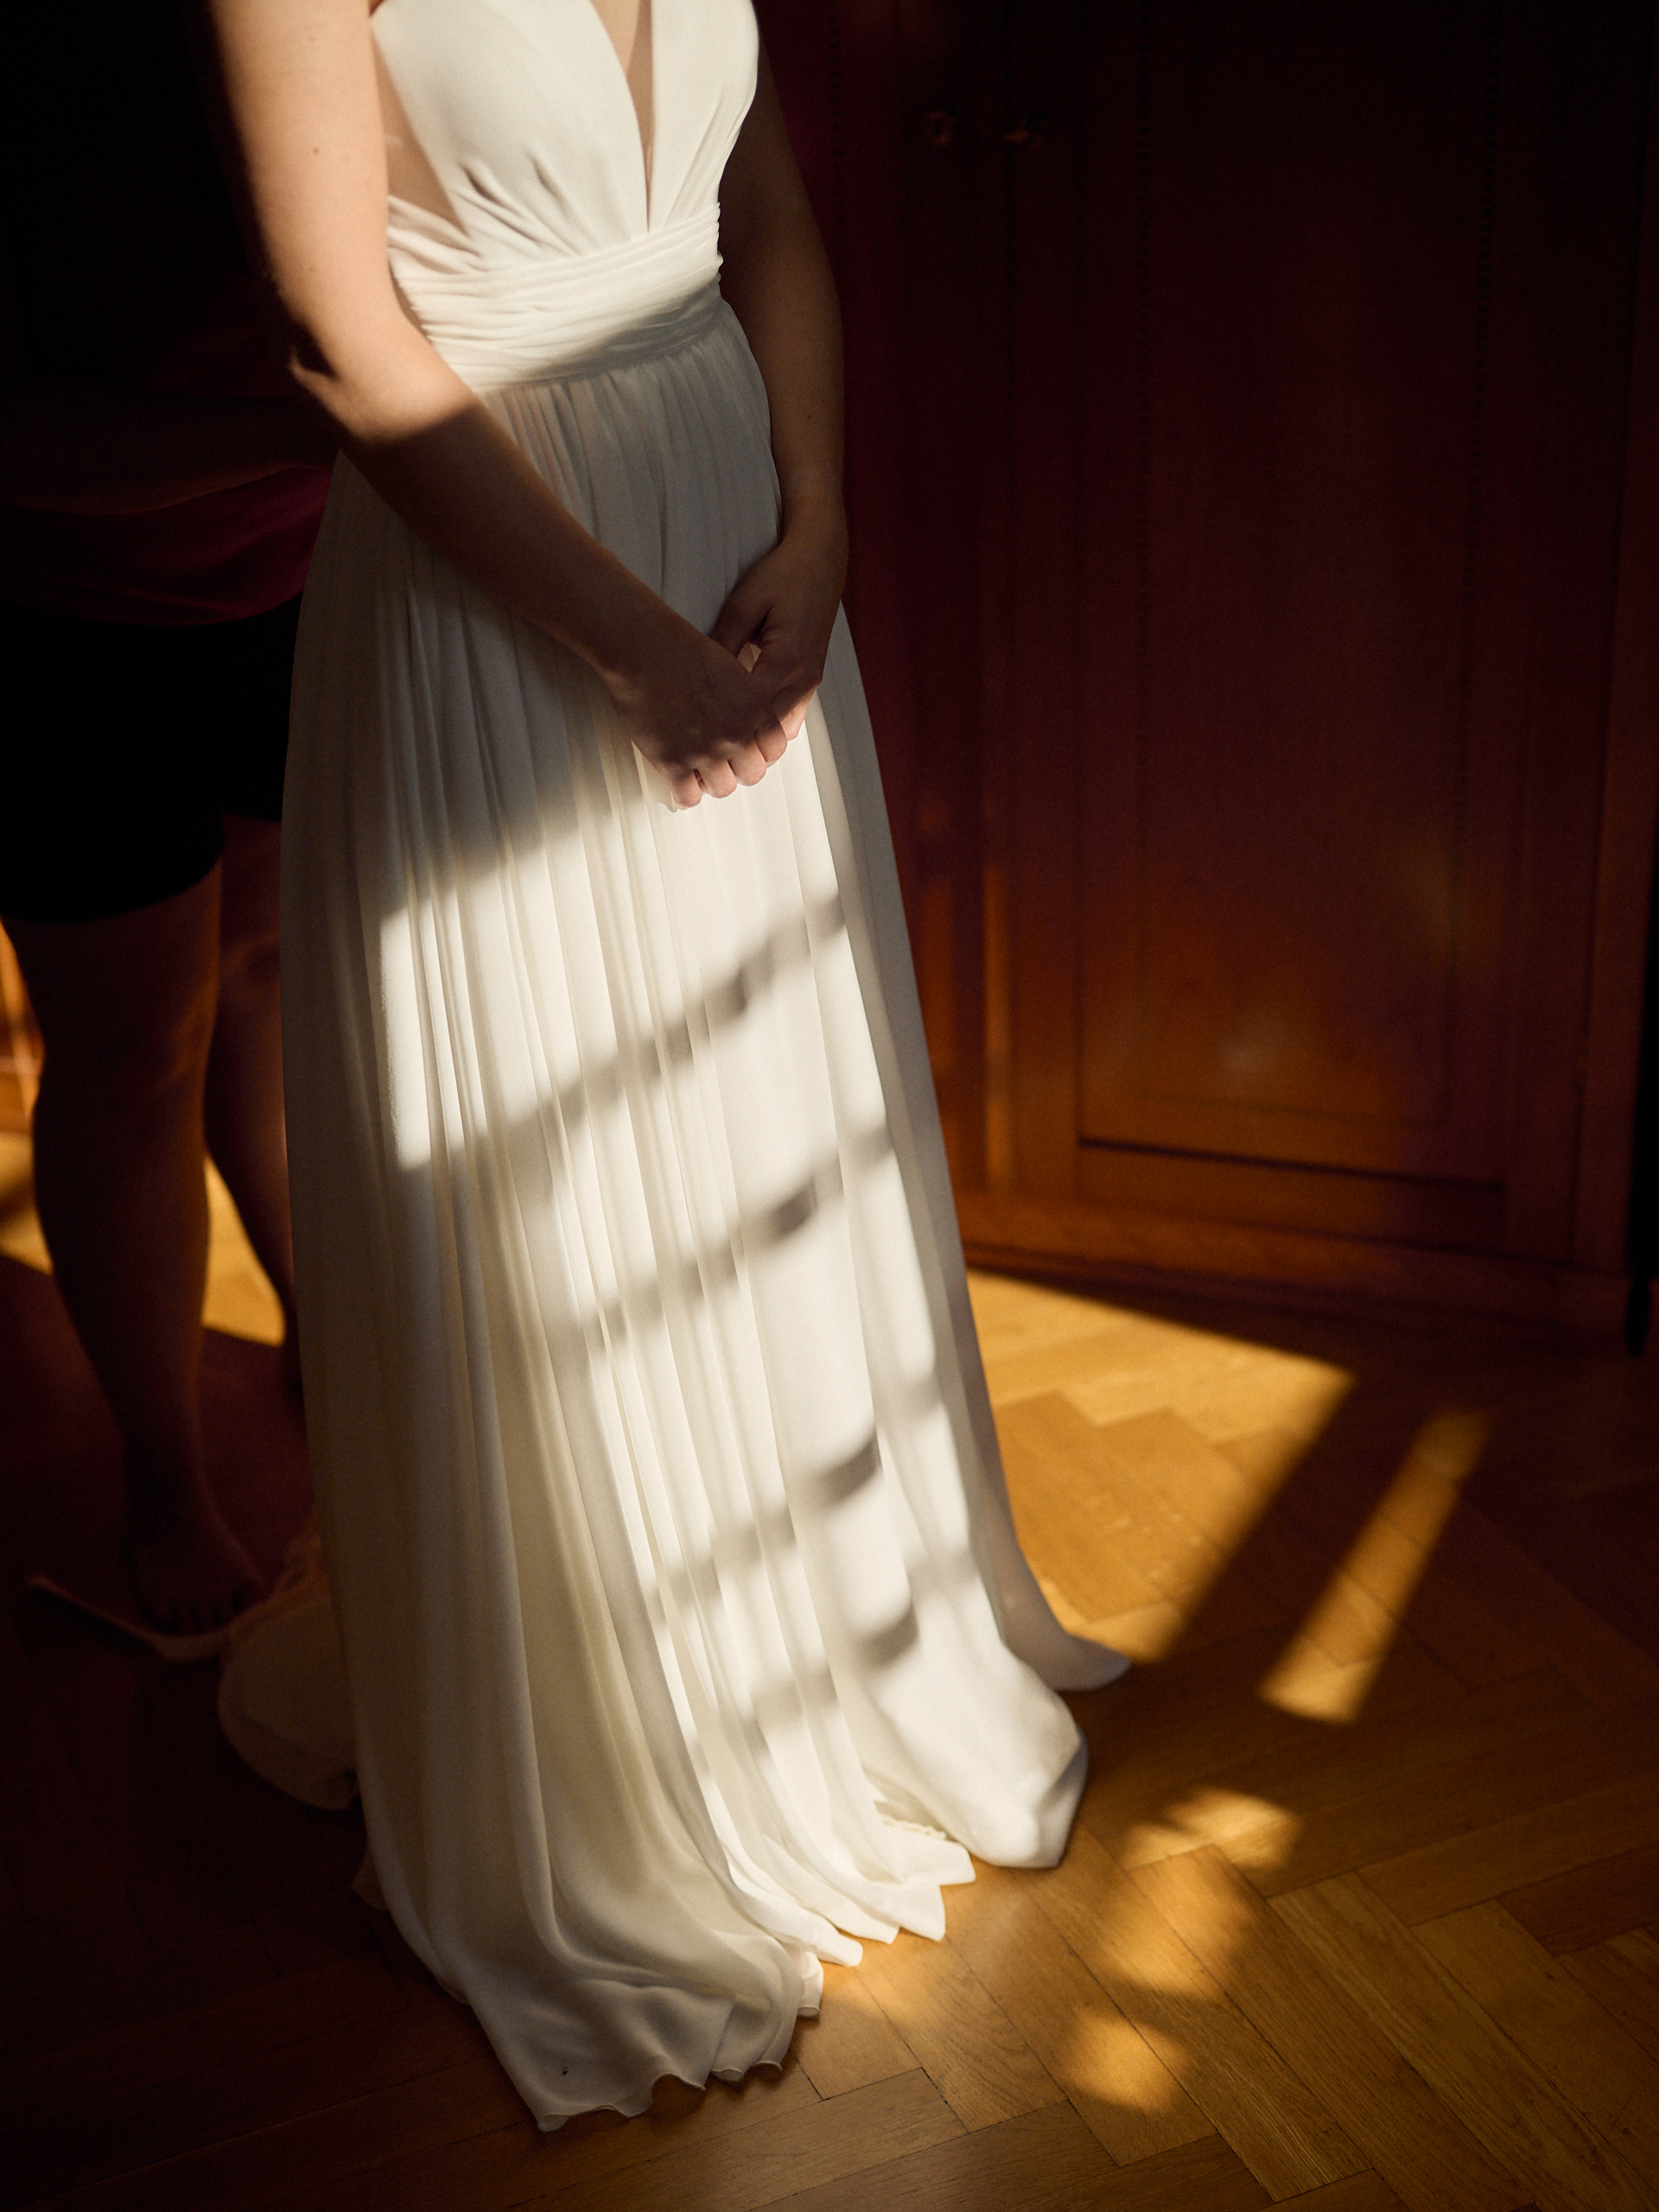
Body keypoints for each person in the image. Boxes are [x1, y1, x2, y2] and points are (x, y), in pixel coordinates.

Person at [201, 0, 1127, 2125]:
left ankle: (821, 1649)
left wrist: (820, 526)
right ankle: (608, 1750)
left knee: (759, 1111)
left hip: (735, 532)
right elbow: (339, 340)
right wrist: (631, 652)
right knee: (560, 1172)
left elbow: (767, 212)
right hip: (504, 587)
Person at [0, 2, 334, 1635]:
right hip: (57, 610)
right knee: (134, 1051)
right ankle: (164, 1484)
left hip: (301, 572)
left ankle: (321, 1330)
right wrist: (323, 418)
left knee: (263, 974)